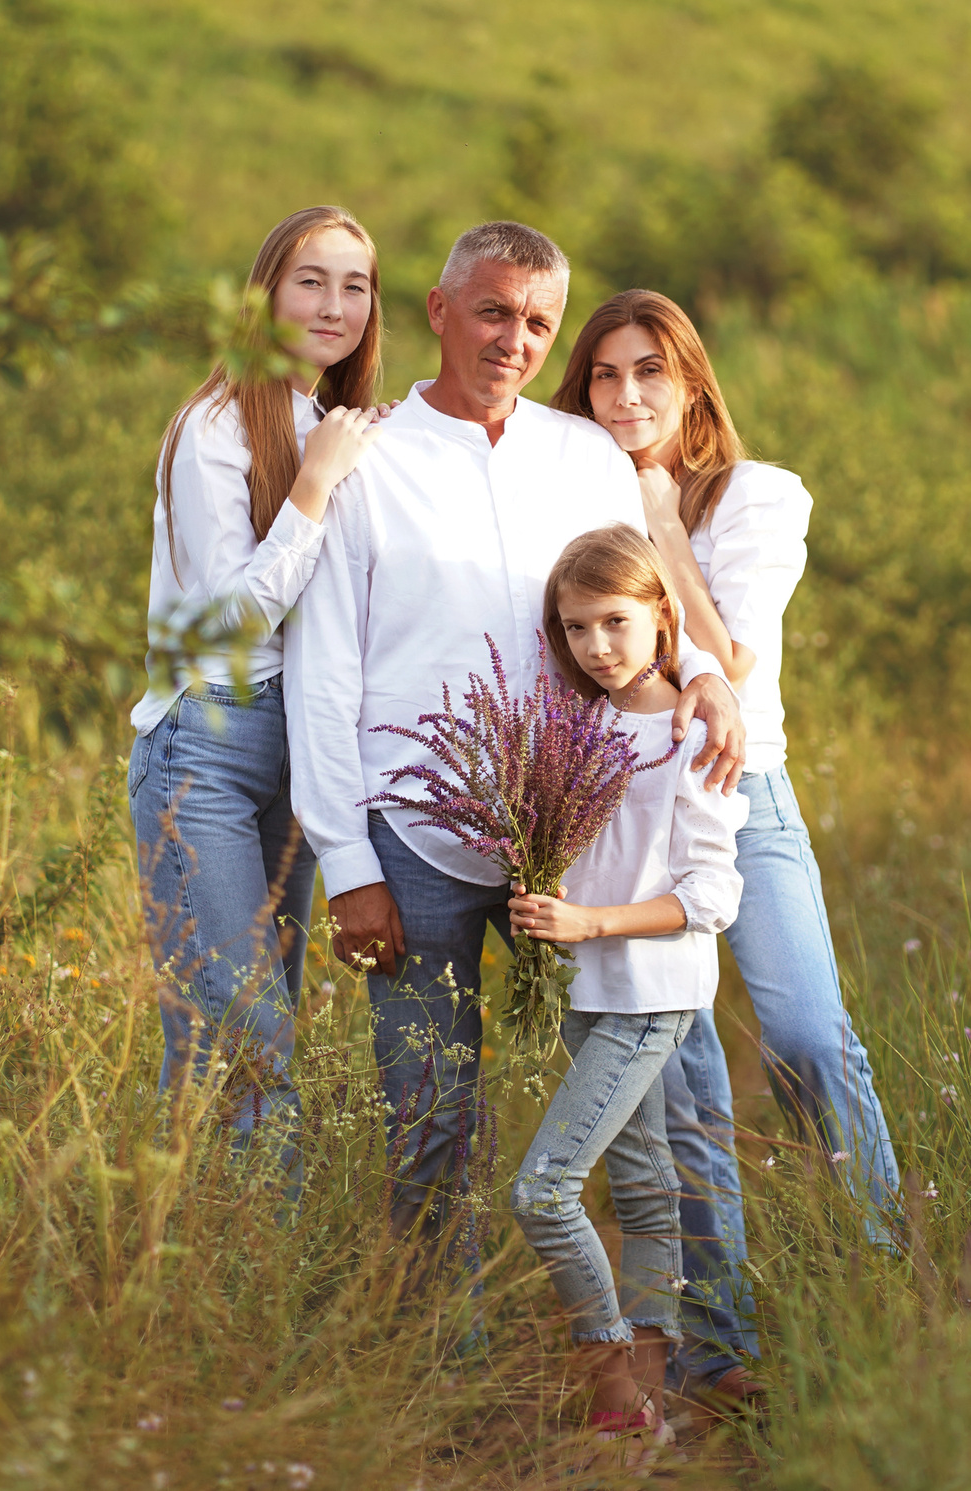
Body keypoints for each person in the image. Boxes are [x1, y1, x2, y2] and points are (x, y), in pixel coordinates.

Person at [283, 221, 748, 1266]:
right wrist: (349, 865)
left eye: (538, 321)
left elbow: (653, 603)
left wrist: (709, 679)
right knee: (431, 1121)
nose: (514, 339)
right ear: (439, 310)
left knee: (661, 1095)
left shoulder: (583, 454)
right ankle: (445, 1384)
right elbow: (323, 677)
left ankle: (706, 1347)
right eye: (492, 311)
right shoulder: (366, 459)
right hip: (414, 844)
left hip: (585, 839)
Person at [553, 287, 903, 1415]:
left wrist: (660, 524)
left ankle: (880, 1274)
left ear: (692, 380)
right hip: (624, 811)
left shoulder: (757, 498)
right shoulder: (569, 494)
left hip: (738, 793)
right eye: (604, 374)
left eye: (649, 370)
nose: (626, 395)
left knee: (804, 1032)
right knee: (685, 1078)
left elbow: (733, 664)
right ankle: (720, 1349)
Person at [127, 206, 384, 1145]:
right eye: (311, 280)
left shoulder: (332, 425)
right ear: (266, 291)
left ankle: (198, 1262)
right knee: (250, 1045)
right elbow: (231, 619)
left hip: (303, 751)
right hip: (209, 744)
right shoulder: (215, 426)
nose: (334, 304)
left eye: (355, 285)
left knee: (233, 1039)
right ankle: (230, 1275)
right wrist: (315, 485)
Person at [507, 526, 747, 1437]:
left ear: (662, 618)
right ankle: (650, 1400)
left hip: (651, 993)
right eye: (575, 629)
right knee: (644, 1190)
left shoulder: (697, 730)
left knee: (543, 1187)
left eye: (616, 621)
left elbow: (710, 893)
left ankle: (608, 1374)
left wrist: (593, 921)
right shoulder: (576, 722)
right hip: (586, 986)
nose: (598, 647)